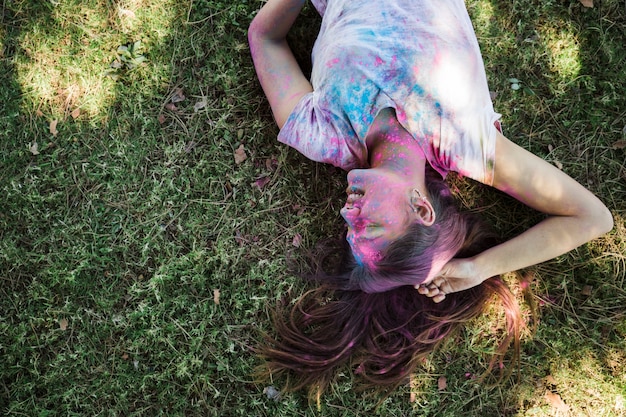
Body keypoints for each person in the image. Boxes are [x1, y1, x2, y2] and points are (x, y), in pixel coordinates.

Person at [247, 0, 613, 400]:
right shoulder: (466, 143)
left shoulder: (322, 133)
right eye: (367, 225)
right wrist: (477, 269)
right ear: (420, 208)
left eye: (349, 229)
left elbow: (264, 37)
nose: (346, 211)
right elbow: (592, 218)